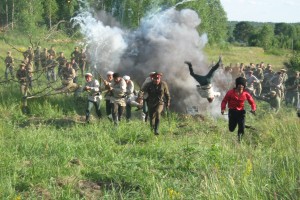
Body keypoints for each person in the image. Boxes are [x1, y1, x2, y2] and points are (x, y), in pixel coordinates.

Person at [221, 77, 256, 142]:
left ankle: (239, 141)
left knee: (241, 128)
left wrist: (253, 109)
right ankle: (239, 123)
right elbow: (224, 101)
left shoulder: (246, 94)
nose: (240, 88)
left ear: (244, 87)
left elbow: (252, 102)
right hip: (232, 112)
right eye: (239, 86)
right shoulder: (230, 92)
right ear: (237, 86)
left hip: (241, 112)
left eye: (242, 87)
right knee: (231, 129)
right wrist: (223, 109)